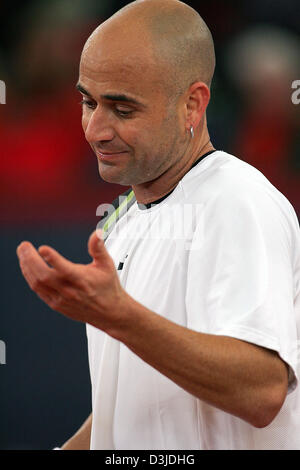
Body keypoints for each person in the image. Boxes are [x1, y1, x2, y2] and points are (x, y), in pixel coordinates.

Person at [17, 0, 300, 450]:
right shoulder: (121, 221)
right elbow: (129, 401)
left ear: (192, 104)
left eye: (122, 109)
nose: (94, 129)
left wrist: (121, 316)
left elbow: (263, 391)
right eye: (88, 102)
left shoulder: (235, 201)